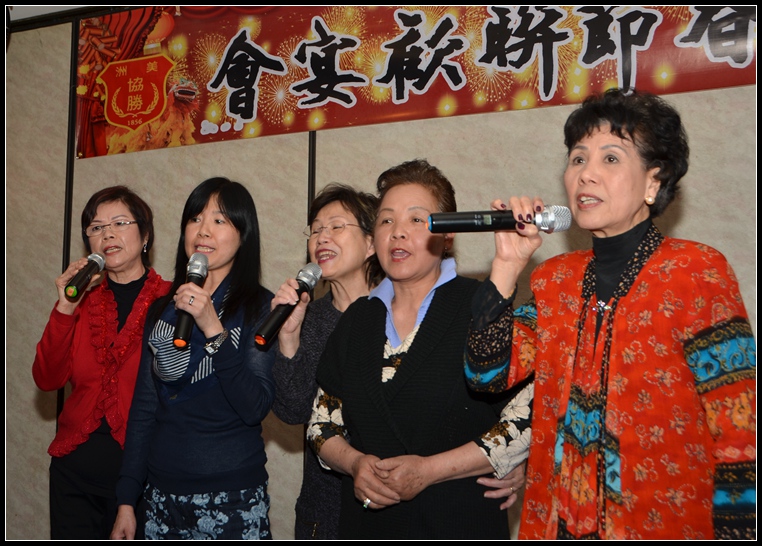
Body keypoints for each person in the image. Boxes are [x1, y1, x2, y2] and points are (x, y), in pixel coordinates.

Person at [464, 88, 757, 540]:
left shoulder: (696, 271)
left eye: (611, 158)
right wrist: (506, 264)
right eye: (578, 159)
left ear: (653, 182)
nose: (587, 174)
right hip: (555, 525)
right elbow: (485, 375)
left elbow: (740, 426)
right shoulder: (554, 279)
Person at [307, 159, 533, 540]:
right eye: (386, 220)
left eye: (416, 219)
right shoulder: (357, 319)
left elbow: (524, 423)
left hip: (459, 523)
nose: (398, 232)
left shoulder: (483, 305)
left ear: (448, 235)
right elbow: (321, 422)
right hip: (367, 526)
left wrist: (429, 471)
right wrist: (355, 463)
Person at [110, 177, 276, 540]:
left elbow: (254, 407)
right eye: (195, 218)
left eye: (219, 220)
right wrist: (126, 499)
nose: (203, 230)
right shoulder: (162, 310)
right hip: (161, 495)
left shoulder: (261, 308)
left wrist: (214, 330)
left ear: (244, 234)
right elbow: (145, 408)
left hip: (231, 496)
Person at [32, 186, 170, 539]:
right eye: (96, 227)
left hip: (147, 476)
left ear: (145, 235)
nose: (107, 234)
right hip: (74, 477)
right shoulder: (80, 301)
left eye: (120, 223)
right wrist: (65, 306)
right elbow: (47, 379)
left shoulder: (173, 300)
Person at [270, 183, 381, 539]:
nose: (322, 237)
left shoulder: (399, 313)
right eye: (316, 230)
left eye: (336, 226)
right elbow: (292, 411)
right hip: (324, 512)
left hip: (390, 506)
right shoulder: (310, 317)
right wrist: (289, 337)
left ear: (371, 243)